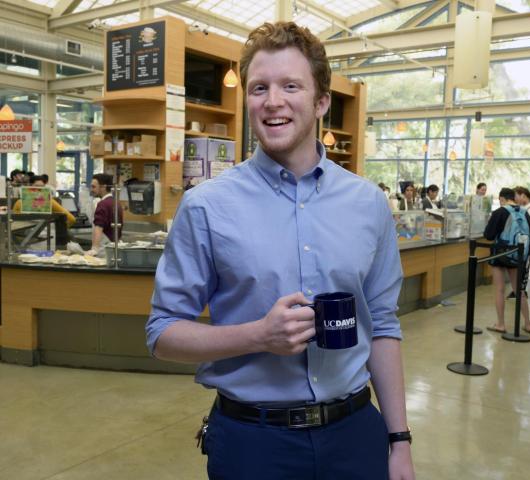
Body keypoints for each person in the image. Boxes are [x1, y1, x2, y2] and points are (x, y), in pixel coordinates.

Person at [146, 22, 414, 480]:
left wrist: (399, 439)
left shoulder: (367, 203)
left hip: (354, 434)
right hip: (252, 442)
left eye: (291, 86)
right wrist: (259, 336)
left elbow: (383, 325)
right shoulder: (207, 206)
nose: (273, 101)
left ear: (321, 102)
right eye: (259, 88)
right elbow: (162, 333)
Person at [483, 187, 530, 335]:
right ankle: (528, 324)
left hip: (500, 255)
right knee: (519, 290)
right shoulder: (525, 212)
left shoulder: (500, 212)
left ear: (501, 199)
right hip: (518, 254)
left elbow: (489, 235)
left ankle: (500, 324)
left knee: (499, 290)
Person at [12, 175, 76, 227]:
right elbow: (71, 219)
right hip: (45, 235)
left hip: (24, 237)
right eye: (37, 187)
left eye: (42, 187)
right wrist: (60, 230)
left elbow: (12, 222)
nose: (39, 190)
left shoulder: (20, 203)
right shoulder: (50, 202)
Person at [89, 173, 123, 254]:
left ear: (103, 187)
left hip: (102, 250)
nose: (91, 189)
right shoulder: (116, 202)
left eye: (94, 187)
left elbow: (98, 228)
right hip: (114, 248)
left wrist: (94, 249)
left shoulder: (102, 204)